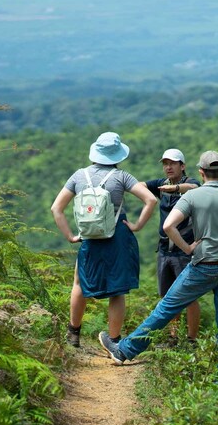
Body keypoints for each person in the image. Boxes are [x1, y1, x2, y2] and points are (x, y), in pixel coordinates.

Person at [99, 150, 218, 383]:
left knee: (166, 308)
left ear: (201, 172)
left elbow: (170, 225)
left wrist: (188, 248)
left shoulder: (193, 197)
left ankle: (124, 350)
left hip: (203, 264)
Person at [51, 132, 157, 348]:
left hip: (89, 235)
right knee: (117, 290)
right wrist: (137, 226)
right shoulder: (122, 177)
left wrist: (71, 236)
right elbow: (151, 199)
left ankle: (73, 334)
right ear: (117, 156)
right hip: (117, 235)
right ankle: (115, 340)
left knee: (79, 283)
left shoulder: (78, 176)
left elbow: (56, 208)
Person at [144, 148, 201, 343]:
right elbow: (138, 186)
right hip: (164, 250)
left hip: (185, 250)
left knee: (190, 296)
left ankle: (192, 340)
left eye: (173, 163)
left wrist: (175, 189)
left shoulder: (190, 183)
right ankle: (173, 337)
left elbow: (196, 189)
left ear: (182, 166)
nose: (168, 167)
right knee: (168, 296)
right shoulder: (161, 185)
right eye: (165, 164)